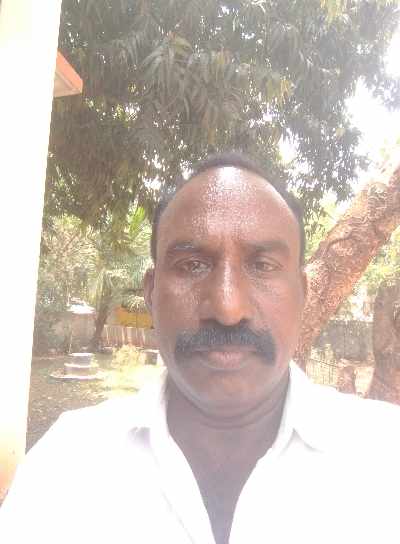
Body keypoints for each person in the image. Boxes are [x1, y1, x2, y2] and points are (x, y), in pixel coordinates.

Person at [1, 152, 399, 544]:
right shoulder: (65, 464)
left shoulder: (385, 457)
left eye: (262, 266)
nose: (228, 309)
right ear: (151, 293)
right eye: (192, 265)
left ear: (303, 293)